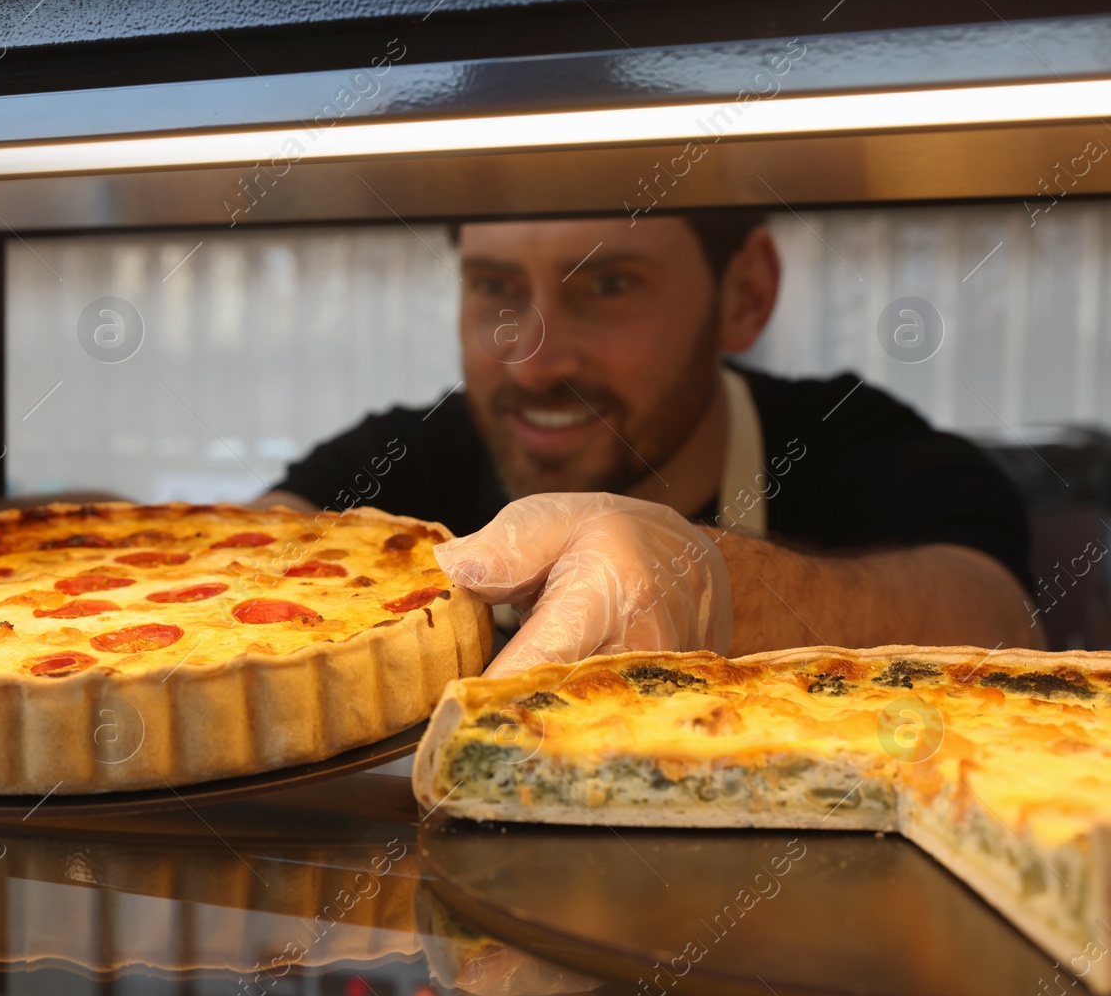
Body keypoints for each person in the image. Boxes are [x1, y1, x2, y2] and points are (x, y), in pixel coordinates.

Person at [256, 213, 1042, 673]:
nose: (534, 363)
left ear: (746, 294)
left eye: (607, 285)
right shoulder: (414, 455)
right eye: (495, 287)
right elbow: (245, 556)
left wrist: (711, 587)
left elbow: (996, 612)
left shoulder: (840, 440)